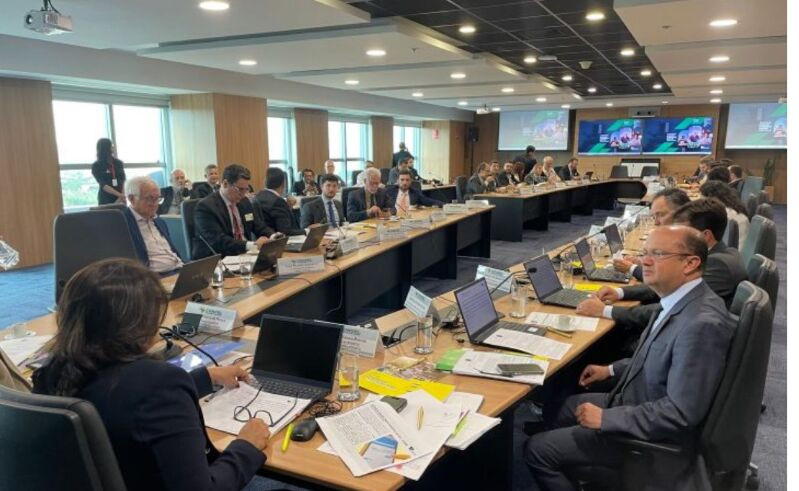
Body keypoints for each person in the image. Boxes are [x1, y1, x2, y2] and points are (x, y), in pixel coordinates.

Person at [527, 226, 734, 490]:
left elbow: (681, 414)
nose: (644, 261)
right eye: (646, 253)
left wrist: (607, 419)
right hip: (636, 399)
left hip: (651, 437)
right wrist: (611, 370)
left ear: (690, 263)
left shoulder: (700, 325)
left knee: (537, 450)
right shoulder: (681, 299)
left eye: (657, 254)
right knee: (560, 408)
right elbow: (658, 357)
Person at [32, 259, 270, 490]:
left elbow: (119, 403)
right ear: (141, 321)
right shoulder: (159, 383)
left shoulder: (51, 373)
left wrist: (204, 378)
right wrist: (246, 446)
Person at [578, 198, 746, 332]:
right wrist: (620, 292)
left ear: (705, 236)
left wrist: (606, 311)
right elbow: (668, 286)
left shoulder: (718, 266)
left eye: (681, 232)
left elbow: (670, 310)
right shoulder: (723, 254)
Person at [193, 164, 278, 258]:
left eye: (246, 189)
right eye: (240, 189)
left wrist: (273, 236)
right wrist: (252, 245)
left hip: (245, 255)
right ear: (225, 184)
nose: (243, 194)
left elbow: (258, 225)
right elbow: (218, 240)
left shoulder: (244, 202)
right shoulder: (206, 207)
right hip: (220, 258)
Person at [612, 188, 690, 280]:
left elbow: (666, 279)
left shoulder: (689, 241)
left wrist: (632, 268)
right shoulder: (677, 236)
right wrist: (642, 263)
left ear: (681, 213)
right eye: (654, 216)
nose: (656, 223)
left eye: (660, 215)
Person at [122, 176, 183, 274]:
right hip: (153, 276)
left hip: (179, 269)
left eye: (157, 198)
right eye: (149, 198)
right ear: (132, 199)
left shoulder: (160, 221)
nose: (155, 204)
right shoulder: (123, 223)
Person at [700, 180, 749, 250]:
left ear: (712, 198)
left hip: (731, 252)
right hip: (734, 251)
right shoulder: (734, 208)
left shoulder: (722, 214)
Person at [255, 168, 305, 236]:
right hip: (280, 239)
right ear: (283, 183)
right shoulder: (278, 201)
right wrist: (307, 231)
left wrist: (288, 207)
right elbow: (286, 231)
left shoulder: (259, 195)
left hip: (265, 237)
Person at [91, 138, 126, 205]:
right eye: (111, 146)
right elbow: (103, 185)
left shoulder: (118, 163)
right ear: (105, 148)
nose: (113, 147)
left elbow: (123, 180)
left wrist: (122, 196)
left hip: (120, 198)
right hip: (106, 199)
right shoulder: (96, 166)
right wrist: (120, 195)